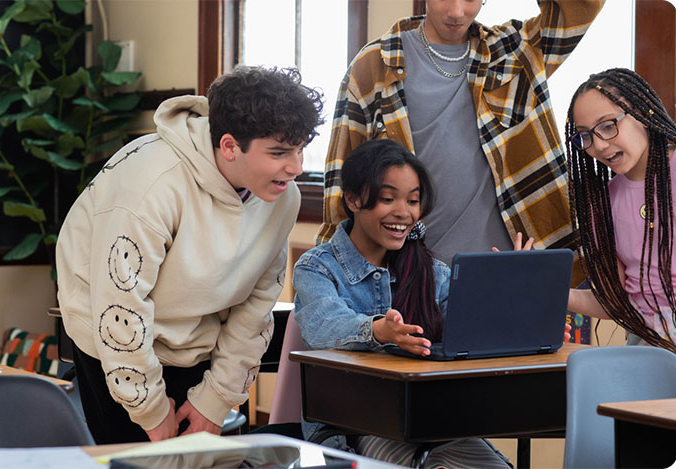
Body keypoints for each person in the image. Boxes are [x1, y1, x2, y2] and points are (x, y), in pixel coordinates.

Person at [55, 66, 324, 443]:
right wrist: (150, 411)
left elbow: (256, 308)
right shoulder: (152, 182)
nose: (295, 167)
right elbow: (120, 307)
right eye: (279, 153)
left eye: (300, 150)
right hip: (112, 335)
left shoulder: (281, 197)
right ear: (229, 146)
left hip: (196, 342)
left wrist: (215, 400)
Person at [318, 0, 604, 286]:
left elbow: (584, 6)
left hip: (515, 274)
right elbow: (342, 191)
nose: (456, 12)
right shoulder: (373, 66)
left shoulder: (517, 51)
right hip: (407, 281)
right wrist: (325, 281)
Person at [292, 139, 510, 467]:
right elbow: (324, 325)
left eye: (413, 200)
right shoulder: (317, 267)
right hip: (352, 426)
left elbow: (467, 333)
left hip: (433, 422)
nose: (403, 213)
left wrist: (517, 314)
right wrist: (378, 330)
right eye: (387, 199)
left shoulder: (433, 272)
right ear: (352, 199)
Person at [565, 68, 676, 353]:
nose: (599, 145)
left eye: (607, 125)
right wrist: (549, 290)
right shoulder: (603, 204)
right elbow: (615, 300)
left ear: (641, 112)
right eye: (585, 137)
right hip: (646, 348)